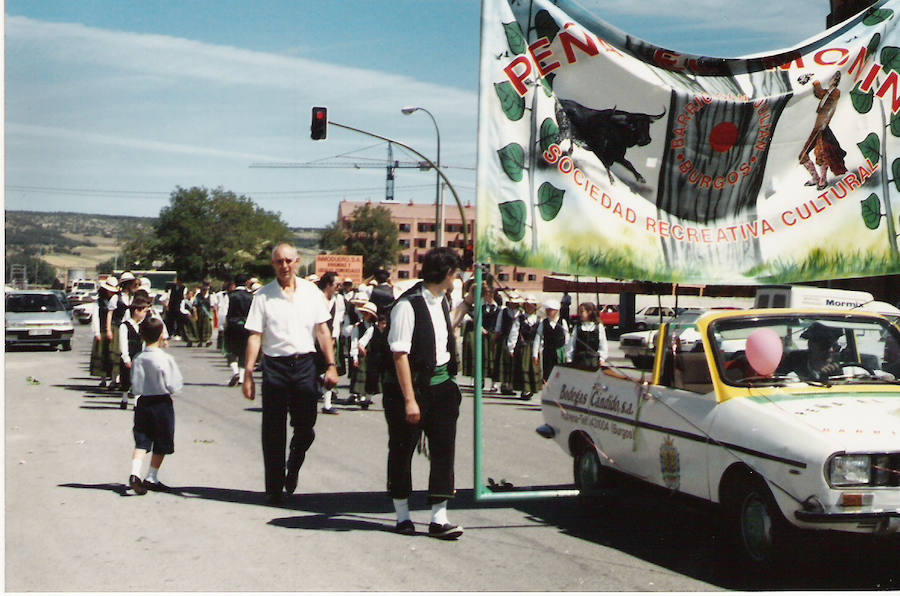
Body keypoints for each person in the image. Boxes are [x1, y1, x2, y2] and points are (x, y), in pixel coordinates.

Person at [242, 243, 338, 505]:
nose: (284, 266)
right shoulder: (263, 296)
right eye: (278, 262)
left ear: (297, 262)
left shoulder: (311, 293)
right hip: (274, 367)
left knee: (306, 427)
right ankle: (274, 488)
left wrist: (331, 365)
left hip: (305, 365)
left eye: (288, 261)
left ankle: (294, 463)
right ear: (273, 265)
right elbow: (255, 336)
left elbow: (322, 331)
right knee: (273, 430)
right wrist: (248, 373)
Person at [383, 247, 464, 540]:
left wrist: (466, 307)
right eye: (455, 273)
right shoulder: (407, 305)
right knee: (402, 450)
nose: (457, 278)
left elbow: (439, 333)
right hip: (412, 389)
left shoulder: (442, 300)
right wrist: (410, 400)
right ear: (445, 274)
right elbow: (400, 354)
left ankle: (438, 518)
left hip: (442, 387)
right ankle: (402, 515)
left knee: (443, 450)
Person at [127, 317, 183, 495]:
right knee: (162, 440)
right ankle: (151, 476)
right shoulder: (165, 358)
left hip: (143, 401)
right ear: (161, 336)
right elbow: (175, 385)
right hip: (161, 402)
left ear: (141, 336)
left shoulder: (138, 358)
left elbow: (135, 385)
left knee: (142, 439)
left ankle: (135, 473)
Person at [799, 71, 847, 191]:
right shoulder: (827, 92)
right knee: (803, 155)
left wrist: (815, 80)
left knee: (821, 154)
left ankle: (822, 180)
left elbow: (827, 101)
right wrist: (814, 81)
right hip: (818, 127)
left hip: (823, 127)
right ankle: (815, 177)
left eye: (836, 80)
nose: (834, 81)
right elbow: (819, 93)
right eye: (833, 79)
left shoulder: (835, 92)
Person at [118, 294, 153, 410]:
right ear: (136, 311)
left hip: (140, 356)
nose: (144, 314)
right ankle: (124, 398)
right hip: (129, 355)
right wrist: (126, 357)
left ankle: (137, 401)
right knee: (126, 378)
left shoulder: (143, 325)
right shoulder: (125, 326)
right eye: (143, 311)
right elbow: (123, 342)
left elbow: (145, 341)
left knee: (139, 379)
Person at [316, 272, 344, 415]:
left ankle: (327, 404)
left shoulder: (337, 300)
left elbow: (337, 323)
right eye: (336, 285)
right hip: (313, 341)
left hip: (328, 342)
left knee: (329, 370)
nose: (339, 287)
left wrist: (333, 340)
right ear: (328, 285)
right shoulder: (316, 299)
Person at [779, 322, 844, 381]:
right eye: (825, 345)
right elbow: (777, 382)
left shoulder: (843, 365)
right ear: (811, 345)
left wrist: (838, 378)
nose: (830, 350)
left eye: (835, 346)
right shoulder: (794, 360)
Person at [507, 295, 542, 400]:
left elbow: (541, 335)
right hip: (523, 346)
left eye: (531, 306)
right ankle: (524, 389)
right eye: (527, 305)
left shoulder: (539, 320)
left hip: (534, 346)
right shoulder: (520, 319)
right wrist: (511, 347)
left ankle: (531, 388)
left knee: (533, 368)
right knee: (523, 367)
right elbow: (514, 333)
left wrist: (541, 347)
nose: (529, 307)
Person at [224, 274, 254, 387]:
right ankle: (241, 377)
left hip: (232, 325)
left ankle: (235, 372)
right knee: (243, 351)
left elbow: (224, 311)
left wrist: (223, 326)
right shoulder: (251, 296)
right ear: (246, 282)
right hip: (247, 325)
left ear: (235, 283)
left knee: (230, 350)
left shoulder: (230, 296)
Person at [348, 301, 379, 409]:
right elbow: (354, 341)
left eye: (367, 314)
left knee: (372, 376)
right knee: (361, 375)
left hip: (372, 355)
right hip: (362, 355)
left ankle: (367, 397)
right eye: (364, 313)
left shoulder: (375, 327)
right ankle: (360, 396)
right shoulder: (358, 327)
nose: (364, 315)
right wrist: (355, 356)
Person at [90, 276, 119, 388]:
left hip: (113, 330)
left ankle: (113, 379)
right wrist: (96, 332)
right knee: (102, 355)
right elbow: (96, 317)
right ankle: (103, 379)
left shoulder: (116, 300)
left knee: (112, 355)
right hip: (102, 330)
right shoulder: (99, 302)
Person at [533, 299, 570, 383]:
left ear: (557, 311)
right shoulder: (544, 323)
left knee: (560, 373)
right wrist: (535, 354)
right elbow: (538, 338)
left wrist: (568, 354)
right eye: (548, 310)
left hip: (560, 351)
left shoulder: (562, 322)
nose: (549, 312)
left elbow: (567, 338)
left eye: (551, 310)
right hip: (548, 352)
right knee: (548, 373)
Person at [493, 292, 522, 395]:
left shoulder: (521, 313)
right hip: (504, 339)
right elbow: (498, 326)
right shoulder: (503, 312)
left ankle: (511, 385)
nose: (513, 304)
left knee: (513, 364)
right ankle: (503, 384)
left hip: (517, 341)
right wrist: (496, 338)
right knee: (504, 362)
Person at [566, 302, 609, 371]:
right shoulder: (578, 327)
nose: (580, 314)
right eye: (579, 312)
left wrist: (602, 358)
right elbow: (572, 344)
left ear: (589, 312)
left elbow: (603, 344)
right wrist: (569, 358)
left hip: (593, 361)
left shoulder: (599, 327)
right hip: (579, 360)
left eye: (582, 312)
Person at [194, 282, 214, 347]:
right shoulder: (198, 296)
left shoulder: (210, 295)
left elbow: (212, 306)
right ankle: (200, 341)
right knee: (199, 327)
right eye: (203, 290)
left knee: (208, 327)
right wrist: (195, 314)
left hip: (207, 314)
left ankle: (207, 340)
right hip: (200, 313)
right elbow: (195, 305)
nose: (204, 291)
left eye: (205, 290)